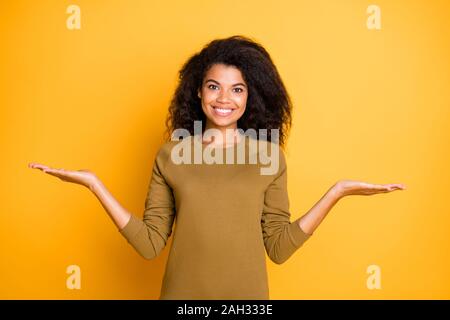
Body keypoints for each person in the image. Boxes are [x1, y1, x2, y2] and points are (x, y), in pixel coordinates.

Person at [28, 35, 406, 299]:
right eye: (214, 86)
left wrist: (336, 192)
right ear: (197, 90)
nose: (224, 99)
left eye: (237, 89)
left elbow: (278, 247)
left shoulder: (268, 157)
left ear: (249, 96)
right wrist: (95, 185)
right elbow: (149, 245)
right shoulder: (171, 155)